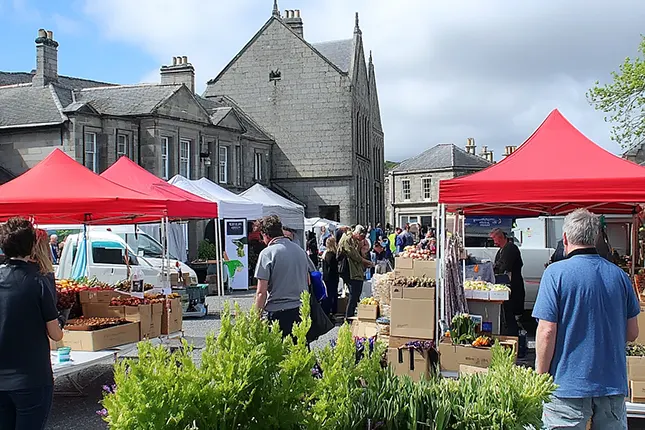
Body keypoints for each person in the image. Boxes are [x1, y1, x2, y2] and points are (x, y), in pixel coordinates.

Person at [533, 209, 639, 429]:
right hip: (611, 385)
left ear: (565, 239)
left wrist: (539, 377)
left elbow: (546, 332)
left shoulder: (555, 274)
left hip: (567, 386)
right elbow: (632, 333)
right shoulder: (620, 276)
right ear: (596, 237)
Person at [0, 217, 66, 430]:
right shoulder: (38, 280)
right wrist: (62, 321)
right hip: (31, 378)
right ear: (31, 246)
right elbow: (55, 334)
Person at [255, 216, 312, 339]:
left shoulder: (267, 253)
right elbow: (308, 280)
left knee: (279, 353)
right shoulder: (300, 250)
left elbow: (261, 292)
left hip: (278, 312)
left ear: (265, 234)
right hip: (300, 310)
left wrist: (256, 316)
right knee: (300, 352)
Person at [490, 228, 525, 336]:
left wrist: (494, 267)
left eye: (494, 239)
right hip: (506, 287)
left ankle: (513, 338)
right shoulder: (501, 250)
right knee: (507, 316)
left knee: (511, 317)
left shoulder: (510, 248)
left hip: (513, 288)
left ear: (500, 237)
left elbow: (504, 267)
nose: (494, 242)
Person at [338, 225, 373, 320]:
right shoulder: (347, 239)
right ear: (357, 234)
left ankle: (351, 315)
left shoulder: (355, 241)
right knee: (354, 294)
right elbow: (354, 255)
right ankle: (348, 317)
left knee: (356, 294)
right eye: (362, 237)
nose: (363, 239)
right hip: (349, 270)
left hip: (355, 270)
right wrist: (366, 262)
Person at [321, 236, 339, 318]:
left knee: (328, 294)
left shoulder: (325, 254)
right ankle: (332, 311)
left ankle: (328, 311)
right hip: (332, 277)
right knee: (333, 294)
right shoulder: (332, 255)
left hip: (326, 277)